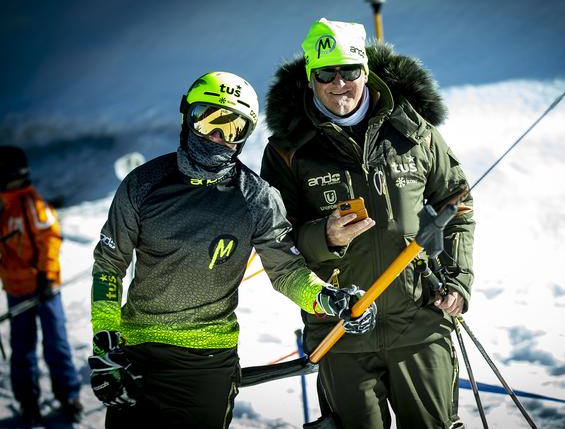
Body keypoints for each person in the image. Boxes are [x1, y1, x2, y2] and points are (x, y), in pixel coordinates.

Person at [88, 71, 377, 429]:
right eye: (207, 120)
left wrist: (328, 299)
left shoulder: (256, 198)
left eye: (232, 130)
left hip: (207, 364)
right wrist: (106, 347)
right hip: (137, 355)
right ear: (186, 116)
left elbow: (287, 273)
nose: (216, 137)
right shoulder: (144, 183)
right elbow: (109, 265)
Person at [260, 18, 475, 428]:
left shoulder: (414, 132)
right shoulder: (288, 151)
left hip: (419, 323)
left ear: (366, 71)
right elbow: (274, 240)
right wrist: (324, 236)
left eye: (349, 70)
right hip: (340, 329)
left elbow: (459, 207)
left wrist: (458, 279)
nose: (339, 83)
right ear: (310, 79)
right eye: (326, 73)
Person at [0, 145, 83, 424]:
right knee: (22, 348)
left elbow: (50, 239)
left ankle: (68, 395)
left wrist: (47, 277)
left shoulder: (31, 204)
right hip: (16, 290)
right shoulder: (2, 206)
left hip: (44, 289)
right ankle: (27, 401)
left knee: (55, 343)